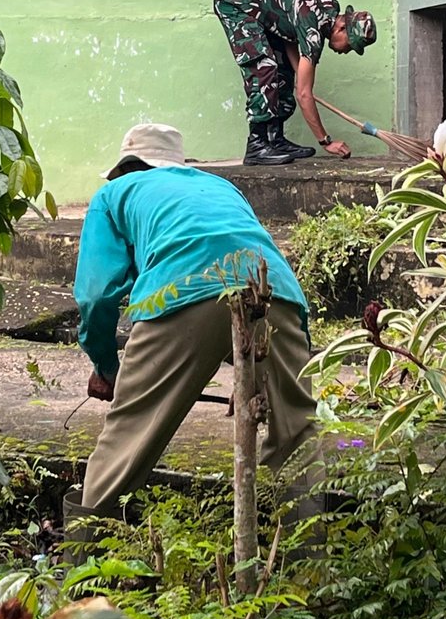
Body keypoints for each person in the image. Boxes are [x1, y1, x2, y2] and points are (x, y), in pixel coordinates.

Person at [65, 123, 318, 525]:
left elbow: (96, 295)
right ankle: (311, 561)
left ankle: (83, 565)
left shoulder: (113, 194)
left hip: (183, 290)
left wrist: (107, 367)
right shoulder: (221, 188)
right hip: (277, 292)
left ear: (126, 168)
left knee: (129, 438)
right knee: (297, 435)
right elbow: (236, 249)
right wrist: (253, 376)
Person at [212, 0, 377, 166]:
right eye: (350, 45)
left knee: (283, 71)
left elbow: (289, 33)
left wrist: (299, 77)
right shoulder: (314, 30)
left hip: (259, 9)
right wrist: (326, 141)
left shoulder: (328, 7)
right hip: (236, 2)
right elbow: (304, 95)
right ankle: (257, 145)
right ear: (342, 27)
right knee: (263, 67)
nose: (346, 51)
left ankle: (275, 139)